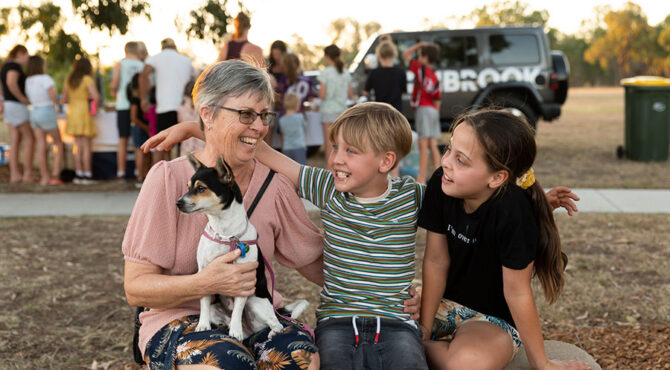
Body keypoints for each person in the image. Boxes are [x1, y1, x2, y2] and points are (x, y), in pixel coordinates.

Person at [135, 62, 423, 369]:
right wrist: (205, 282)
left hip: (256, 316)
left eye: (264, 115)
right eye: (246, 114)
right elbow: (135, 286)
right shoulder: (167, 179)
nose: (259, 127)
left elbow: (319, 263)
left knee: (303, 361)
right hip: (182, 319)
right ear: (208, 113)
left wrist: (386, 294)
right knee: (225, 365)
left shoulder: (274, 185)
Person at [256, 102, 429, 370]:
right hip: (337, 321)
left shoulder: (412, 196)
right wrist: (199, 131)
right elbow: (267, 153)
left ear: (386, 161)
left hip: (397, 323)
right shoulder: (328, 188)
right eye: (335, 146)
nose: (336, 158)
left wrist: (428, 298)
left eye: (351, 151)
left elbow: (462, 223)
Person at [418, 110, 590, 370]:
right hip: (440, 303)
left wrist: (542, 364)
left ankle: (421, 349)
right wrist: (424, 327)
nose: (446, 163)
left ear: (497, 177)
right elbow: (435, 261)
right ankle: (421, 342)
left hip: (489, 321)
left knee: (466, 364)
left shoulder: (513, 212)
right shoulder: (441, 186)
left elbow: (517, 291)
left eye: (461, 160)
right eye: (448, 150)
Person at [139, 38, 194, 163]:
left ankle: (158, 177)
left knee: (160, 146)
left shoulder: (156, 58)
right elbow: (194, 81)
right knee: (184, 147)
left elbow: (143, 74)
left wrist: (143, 99)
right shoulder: (186, 60)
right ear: (175, 47)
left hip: (165, 108)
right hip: (184, 109)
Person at [403, 41, 441, 185]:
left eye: (419, 55)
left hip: (423, 109)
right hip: (433, 110)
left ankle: (421, 178)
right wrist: (435, 114)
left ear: (425, 58)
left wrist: (418, 45)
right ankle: (438, 175)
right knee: (432, 143)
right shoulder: (434, 75)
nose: (417, 58)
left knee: (422, 144)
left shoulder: (420, 68)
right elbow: (438, 98)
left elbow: (405, 54)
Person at [25, 54, 64, 186]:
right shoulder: (45, 78)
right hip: (46, 110)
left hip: (34, 112)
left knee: (41, 145)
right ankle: (56, 174)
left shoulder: (28, 80)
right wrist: (58, 103)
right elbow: (53, 95)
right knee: (58, 143)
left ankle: (44, 177)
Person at [61, 56, 101, 185]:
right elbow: (96, 97)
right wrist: (95, 106)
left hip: (72, 112)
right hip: (84, 111)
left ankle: (79, 173)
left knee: (77, 146)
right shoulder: (87, 79)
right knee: (86, 146)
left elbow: (64, 99)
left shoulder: (69, 79)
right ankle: (87, 174)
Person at [110, 41, 144, 181]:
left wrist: (113, 91)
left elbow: (115, 83)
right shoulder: (142, 65)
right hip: (139, 105)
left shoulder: (121, 64)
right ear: (137, 51)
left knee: (122, 139)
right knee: (139, 142)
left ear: (125, 51)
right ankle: (139, 173)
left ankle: (121, 173)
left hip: (123, 105)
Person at [1, 44, 34, 183]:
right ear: (20, 53)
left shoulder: (5, 67)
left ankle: (15, 174)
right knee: (29, 138)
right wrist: (23, 99)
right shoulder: (14, 67)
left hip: (9, 105)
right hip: (16, 105)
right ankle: (27, 173)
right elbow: (11, 83)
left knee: (15, 140)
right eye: (26, 55)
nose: (27, 59)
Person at [318, 44, 353, 162]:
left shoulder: (325, 73)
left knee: (329, 146)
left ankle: (329, 172)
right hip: (342, 112)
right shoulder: (346, 73)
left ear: (327, 56)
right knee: (342, 144)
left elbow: (322, 95)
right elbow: (350, 94)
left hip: (328, 112)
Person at [363, 40, 407, 113]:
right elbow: (403, 92)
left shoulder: (374, 73)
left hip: (380, 112)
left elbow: (365, 92)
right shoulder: (401, 72)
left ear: (379, 55)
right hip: (396, 112)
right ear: (394, 54)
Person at [126, 73, 151, 185]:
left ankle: (144, 175)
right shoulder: (135, 100)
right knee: (140, 152)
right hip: (139, 127)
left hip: (143, 128)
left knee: (145, 153)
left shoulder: (141, 99)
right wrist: (145, 127)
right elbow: (133, 118)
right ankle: (140, 176)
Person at [277, 93, 308, 164]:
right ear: (297, 106)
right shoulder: (300, 117)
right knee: (301, 168)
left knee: (288, 169)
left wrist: (283, 147)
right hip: (299, 146)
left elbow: (282, 135)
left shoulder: (281, 120)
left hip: (287, 148)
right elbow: (305, 127)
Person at [177, 80, 205, 157]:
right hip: (200, 139)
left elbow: (180, 122)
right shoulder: (201, 106)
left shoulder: (181, 107)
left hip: (187, 141)